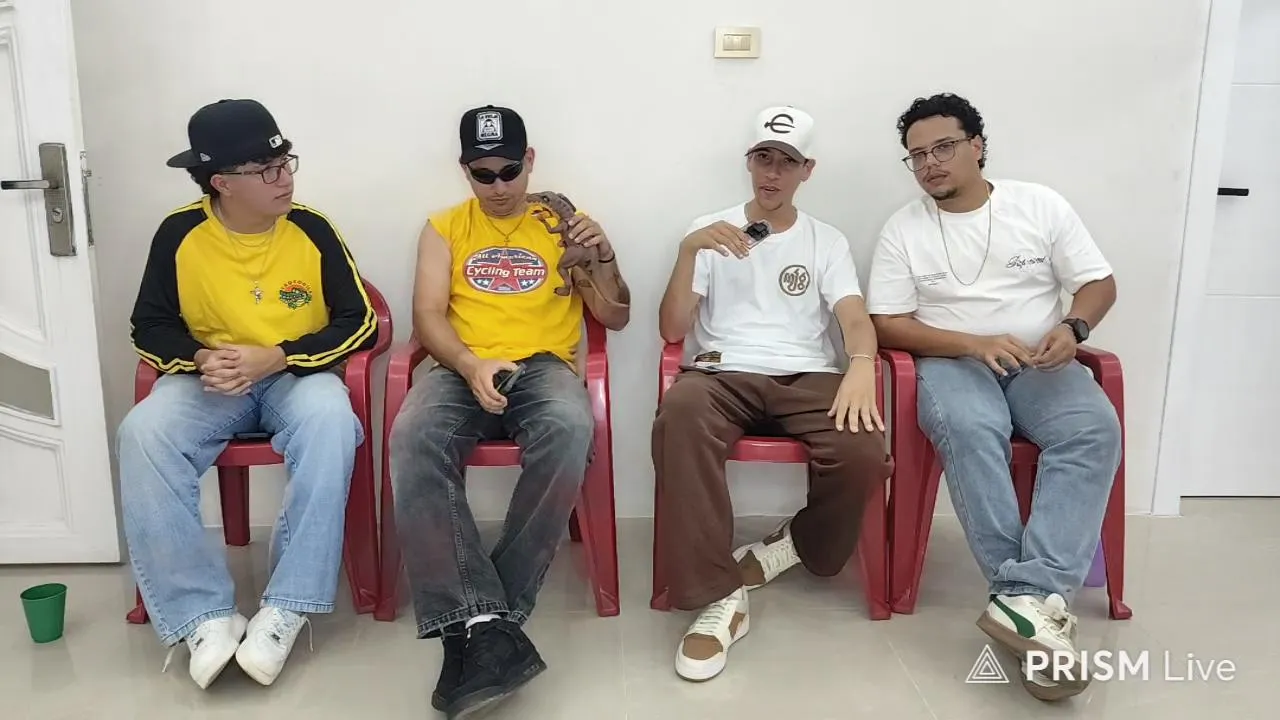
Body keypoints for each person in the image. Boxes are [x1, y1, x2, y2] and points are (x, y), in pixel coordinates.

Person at [866, 92, 1120, 700]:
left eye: (943, 148)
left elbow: (1098, 283)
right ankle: (1032, 605)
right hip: (951, 360)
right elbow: (887, 323)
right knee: (972, 427)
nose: (929, 163)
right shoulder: (904, 229)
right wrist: (972, 344)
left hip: (1036, 358)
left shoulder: (1038, 205)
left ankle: (1024, 598)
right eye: (917, 155)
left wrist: (1073, 328)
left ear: (977, 146)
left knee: (1093, 429)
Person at [116, 98, 378, 690]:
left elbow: (359, 322)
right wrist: (200, 358)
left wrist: (280, 355)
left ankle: (286, 607)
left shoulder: (312, 228)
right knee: (143, 432)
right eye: (265, 170)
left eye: (286, 162)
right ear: (221, 182)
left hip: (295, 377)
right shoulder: (179, 233)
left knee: (331, 421)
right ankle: (202, 617)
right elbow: (149, 326)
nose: (284, 178)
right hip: (212, 382)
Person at [388, 105, 631, 718]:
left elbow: (616, 316)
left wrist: (603, 256)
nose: (498, 187)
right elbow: (427, 316)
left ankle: (480, 619)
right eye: (482, 174)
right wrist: (469, 364)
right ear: (464, 169)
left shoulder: (565, 225)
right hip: (461, 364)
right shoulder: (444, 227)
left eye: (508, 171)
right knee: (413, 434)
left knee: (570, 427)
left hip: (542, 366)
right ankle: (491, 626)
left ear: (529, 161)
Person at [652, 106, 895, 682]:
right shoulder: (710, 230)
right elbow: (672, 329)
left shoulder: (825, 240)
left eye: (787, 162)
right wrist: (688, 252)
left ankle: (800, 540)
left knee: (863, 448)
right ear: (749, 162)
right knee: (679, 414)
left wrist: (863, 363)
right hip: (722, 374)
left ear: (807, 170)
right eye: (764, 158)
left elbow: (853, 318)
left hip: (806, 375)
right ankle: (720, 598)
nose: (773, 172)